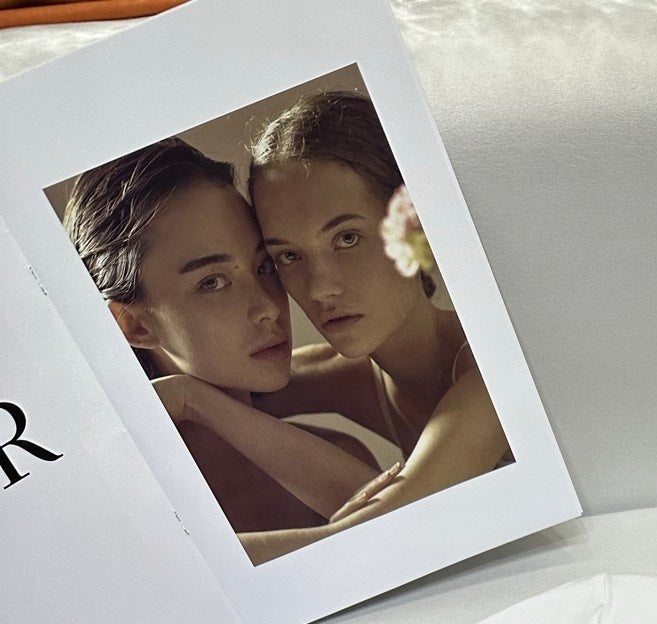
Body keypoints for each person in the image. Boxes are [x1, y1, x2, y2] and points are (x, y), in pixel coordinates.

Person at [63, 139, 380, 543]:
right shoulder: (124, 511)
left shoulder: (341, 454)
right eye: (212, 282)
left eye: (264, 266)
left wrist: (195, 399)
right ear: (134, 325)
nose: (269, 307)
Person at [241, 90, 512, 561]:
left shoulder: (494, 368)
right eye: (288, 256)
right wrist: (191, 398)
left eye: (347, 238)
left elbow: (380, 538)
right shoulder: (339, 376)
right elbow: (207, 393)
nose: (320, 288)